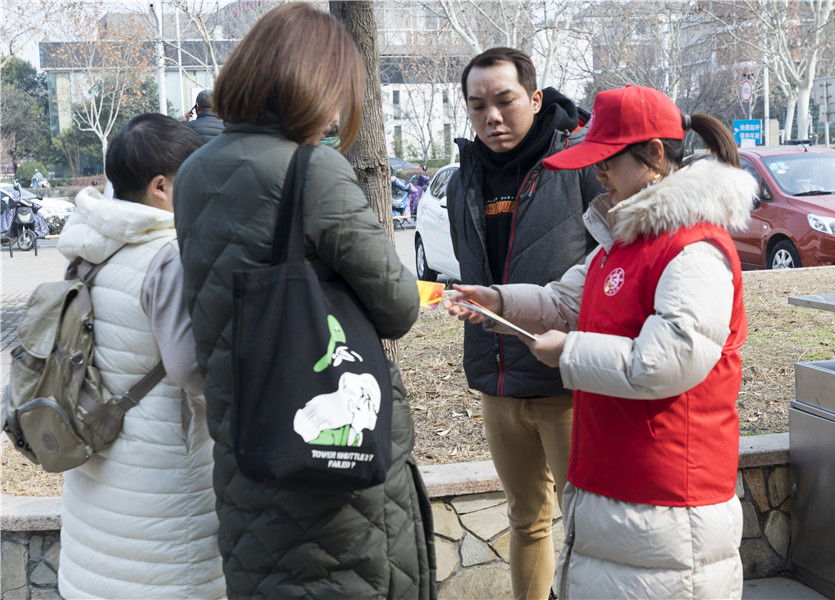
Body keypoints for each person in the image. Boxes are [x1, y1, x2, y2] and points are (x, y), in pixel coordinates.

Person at [447, 85, 758, 599]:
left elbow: (667, 361)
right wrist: (498, 301)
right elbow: (564, 302)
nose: (599, 175)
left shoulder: (694, 250)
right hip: (617, 482)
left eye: (608, 162)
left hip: (669, 497)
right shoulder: (622, 245)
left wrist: (568, 354)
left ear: (653, 155)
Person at [172, 4, 436, 597]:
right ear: (311, 87)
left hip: (249, 439)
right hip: (334, 475)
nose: (338, 112)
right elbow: (398, 307)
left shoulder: (192, 172)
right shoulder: (312, 169)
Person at [446, 47, 606, 600]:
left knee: (587, 524)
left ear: (535, 99)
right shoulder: (462, 180)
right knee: (526, 519)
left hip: (567, 380)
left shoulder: (580, 166)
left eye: (505, 100)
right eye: (477, 106)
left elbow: (612, 266)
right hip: (497, 381)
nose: (491, 116)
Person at [55, 113, 224, 598]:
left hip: (96, 469)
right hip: (162, 489)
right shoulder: (168, 255)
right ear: (161, 187)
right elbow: (190, 369)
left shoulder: (88, 248)